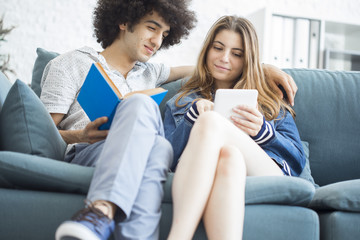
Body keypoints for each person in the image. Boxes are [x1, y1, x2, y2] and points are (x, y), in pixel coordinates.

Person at [41, 0, 297, 239]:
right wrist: (80, 136)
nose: (157, 41)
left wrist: (259, 68)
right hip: (90, 149)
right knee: (147, 118)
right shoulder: (72, 64)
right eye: (152, 28)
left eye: (164, 34)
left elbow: (210, 68)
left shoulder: (149, 71)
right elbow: (43, 133)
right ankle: (100, 210)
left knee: (158, 145)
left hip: (150, 151)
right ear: (123, 20)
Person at [164, 16, 306, 240]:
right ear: (207, 50)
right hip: (225, 165)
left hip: (267, 171)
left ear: (247, 59)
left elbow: (297, 162)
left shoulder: (270, 101)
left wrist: (263, 133)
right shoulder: (181, 103)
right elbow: (167, 159)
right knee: (229, 156)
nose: (224, 58)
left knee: (211, 121)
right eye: (218, 48)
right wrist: (192, 118)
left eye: (237, 54)